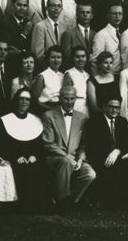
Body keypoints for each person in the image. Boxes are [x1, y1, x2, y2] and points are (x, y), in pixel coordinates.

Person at [41, 83, 97, 211]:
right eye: (66, 98)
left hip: (75, 158)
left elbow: (83, 144)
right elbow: (48, 143)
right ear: (60, 99)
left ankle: (72, 201)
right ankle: (62, 201)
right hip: (55, 158)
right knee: (66, 162)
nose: (69, 101)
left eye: (72, 98)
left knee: (90, 174)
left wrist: (80, 159)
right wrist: (67, 157)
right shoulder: (48, 115)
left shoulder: (82, 117)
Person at [0, 88, 44, 209]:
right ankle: (21, 207)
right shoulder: (5, 119)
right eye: (21, 99)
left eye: (27, 99)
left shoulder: (36, 120)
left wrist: (33, 156)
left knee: (37, 168)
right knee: (22, 169)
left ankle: (35, 206)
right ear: (16, 100)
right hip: (13, 157)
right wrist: (16, 157)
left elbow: (38, 145)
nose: (24, 102)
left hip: (32, 158)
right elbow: (3, 145)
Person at [85, 94, 128, 208]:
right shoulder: (94, 121)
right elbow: (94, 145)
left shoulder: (122, 121)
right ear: (103, 106)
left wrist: (117, 151)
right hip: (99, 157)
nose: (114, 110)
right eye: (111, 106)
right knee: (111, 168)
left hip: (117, 156)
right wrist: (111, 155)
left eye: (117, 107)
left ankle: (126, 202)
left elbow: (126, 143)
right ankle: (104, 201)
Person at [0, 0, 37, 77]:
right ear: (12, 5)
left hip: (28, 70)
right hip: (11, 68)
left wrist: (20, 53)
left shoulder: (29, 23)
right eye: (19, 5)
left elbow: (32, 49)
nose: (22, 8)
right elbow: (9, 48)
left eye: (25, 5)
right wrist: (25, 33)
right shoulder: (4, 23)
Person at [91, 2, 125, 74]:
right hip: (106, 77)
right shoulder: (101, 35)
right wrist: (97, 81)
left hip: (120, 75)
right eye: (114, 13)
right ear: (108, 15)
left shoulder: (121, 34)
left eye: (120, 14)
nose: (117, 16)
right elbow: (94, 61)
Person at [86, 50, 120, 116]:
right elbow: (94, 106)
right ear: (99, 64)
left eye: (111, 63)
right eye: (105, 63)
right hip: (100, 116)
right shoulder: (92, 81)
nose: (109, 65)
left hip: (117, 115)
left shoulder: (117, 79)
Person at [63, 45, 91, 116]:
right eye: (77, 57)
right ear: (73, 58)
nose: (80, 59)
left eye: (83, 56)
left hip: (87, 106)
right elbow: (66, 96)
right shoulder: (69, 74)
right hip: (75, 106)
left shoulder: (87, 75)